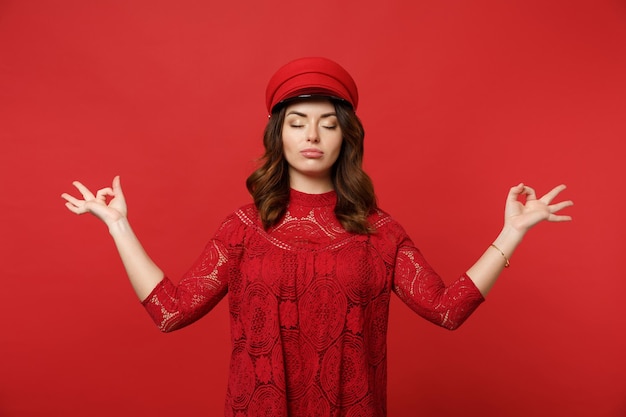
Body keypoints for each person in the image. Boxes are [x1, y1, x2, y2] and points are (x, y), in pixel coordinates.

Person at [61, 57, 573, 417]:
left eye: (327, 124)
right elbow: (171, 311)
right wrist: (119, 225)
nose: (311, 136)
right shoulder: (242, 228)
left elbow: (446, 309)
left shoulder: (379, 230)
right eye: (297, 122)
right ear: (278, 135)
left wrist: (512, 232)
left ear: (345, 137)